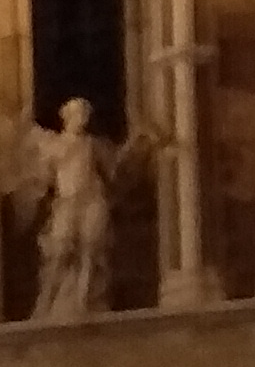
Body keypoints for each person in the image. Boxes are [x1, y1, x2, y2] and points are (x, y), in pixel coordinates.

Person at [15, 94, 159, 322]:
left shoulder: (93, 145)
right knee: (61, 252)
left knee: (90, 249)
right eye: (77, 114)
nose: (82, 119)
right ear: (66, 117)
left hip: (92, 200)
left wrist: (137, 143)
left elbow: (115, 169)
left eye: (84, 114)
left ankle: (84, 301)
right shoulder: (55, 146)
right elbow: (41, 179)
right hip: (67, 202)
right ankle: (46, 302)